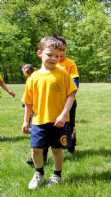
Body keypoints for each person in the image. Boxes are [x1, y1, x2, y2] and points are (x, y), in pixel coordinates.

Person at [22, 36, 77, 189]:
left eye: (58, 56)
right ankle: (38, 173)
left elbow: (71, 95)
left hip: (59, 121)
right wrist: (26, 121)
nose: (54, 58)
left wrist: (63, 114)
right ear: (40, 53)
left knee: (57, 149)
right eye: (50, 54)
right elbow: (28, 102)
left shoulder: (63, 74)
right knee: (36, 149)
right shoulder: (33, 77)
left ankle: (57, 175)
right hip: (38, 120)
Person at [21, 64, 50, 167]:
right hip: (33, 112)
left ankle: (42, 158)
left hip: (40, 112)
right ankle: (37, 157)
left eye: (26, 70)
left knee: (42, 135)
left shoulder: (37, 78)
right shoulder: (30, 80)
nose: (25, 72)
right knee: (37, 136)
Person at [55, 36, 80, 154]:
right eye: (58, 49)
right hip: (53, 101)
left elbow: (75, 81)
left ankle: (71, 146)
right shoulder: (50, 63)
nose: (60, 53)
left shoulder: (70, 63)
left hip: (69, 101)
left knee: (69, 125)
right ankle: (41, 153)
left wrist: (71, 94)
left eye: (63, 49)